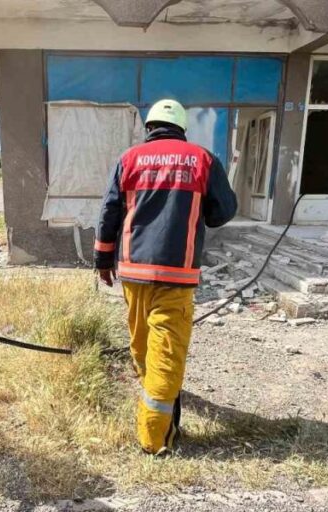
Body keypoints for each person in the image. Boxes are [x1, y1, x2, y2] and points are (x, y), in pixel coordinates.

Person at [94, 99, 237, 456]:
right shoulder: (202, 160)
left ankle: (159, 416)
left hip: (133, 272)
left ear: (149, 128)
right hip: (176, 274)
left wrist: (102, 260)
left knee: (142, 347)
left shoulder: (129, 159)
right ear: (182, 129)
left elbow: (109, 212)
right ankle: (154, 439)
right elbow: (222, 213)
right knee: (166, 353)